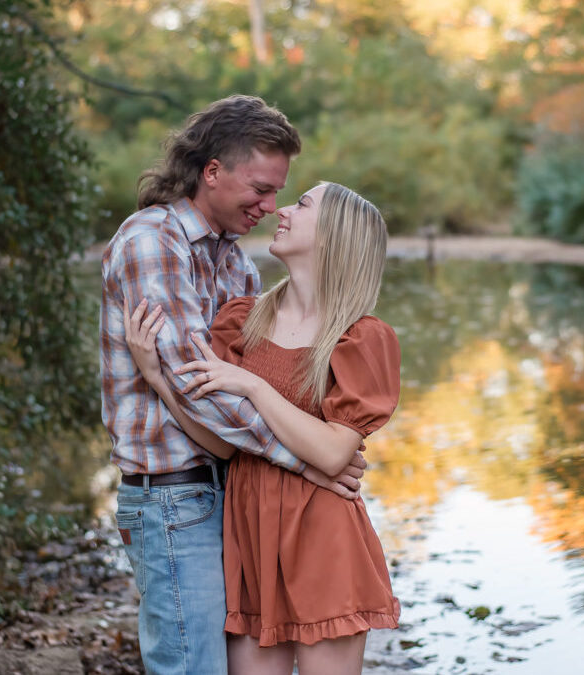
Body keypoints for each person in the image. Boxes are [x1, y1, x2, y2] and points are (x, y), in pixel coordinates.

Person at [100, 95, 366, 675]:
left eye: (281, 193)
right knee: (192, 667)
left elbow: (238, 384)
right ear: (211, 172)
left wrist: (314, 446)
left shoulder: (237, 266)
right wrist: (311, 462)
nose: (271, 207)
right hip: (174, 495)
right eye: (262, 189)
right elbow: (206, 389)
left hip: (231, 490)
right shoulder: (153, 242)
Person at [124, 181, 401, 675]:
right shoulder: (243, 320)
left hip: (323, 541)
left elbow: (335, 452)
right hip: (249, 543)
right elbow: (223, 445)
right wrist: (157, 379)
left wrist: (252, 387)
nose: (282, 209)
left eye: (304, 204)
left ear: (334, 235)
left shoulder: (359, 336)